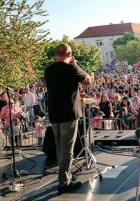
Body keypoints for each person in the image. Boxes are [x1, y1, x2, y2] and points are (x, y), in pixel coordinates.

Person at [44, 43, 92, 195]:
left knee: (59, 146)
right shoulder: (72, 69)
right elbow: (88, 80)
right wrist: (76, 64)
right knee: (67, 149)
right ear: (69, 54)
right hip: (68, 114)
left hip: (54, 113)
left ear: (56, 54)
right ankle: (64, 182)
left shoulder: (48, 70)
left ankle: (63, 176)